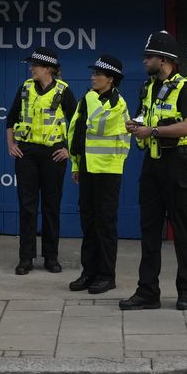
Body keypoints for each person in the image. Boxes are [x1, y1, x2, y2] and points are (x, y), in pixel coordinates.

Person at [120, 31, 187, 312]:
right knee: (149, 231)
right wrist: (135, 124)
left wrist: (152, 130)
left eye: (149, 56)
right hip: (153, 165)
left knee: (183, 232)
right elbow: (145, 117)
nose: (145, 61)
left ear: (165, 60)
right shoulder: (148, 88)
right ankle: (147, 292)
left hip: (179, 164)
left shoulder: (185, 88)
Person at [7, 46, 78, 275]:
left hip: (53, 155)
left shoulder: (64, 91)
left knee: (51, 207)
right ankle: (25, 258)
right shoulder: (25, 88)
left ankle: (51, 257)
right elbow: (11, 118)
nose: (31, 68)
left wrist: (68, 149)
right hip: (26, 154)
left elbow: (76, 124)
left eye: (35, 65)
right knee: (27, 207)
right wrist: (11, 145)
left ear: (48, 68)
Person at [68, 54, 129, 294]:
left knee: (105, 224)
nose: (93, 77)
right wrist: (76, 164)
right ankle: (89, 272)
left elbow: (98, 124)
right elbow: (76, 131)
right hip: (87, 168)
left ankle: (106, 275)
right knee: (88, 223)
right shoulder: (87, 99)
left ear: (111, 79)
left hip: (108, 169)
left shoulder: (117, 103)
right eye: (93, 73)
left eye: (98, 74)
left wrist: (90, 98)